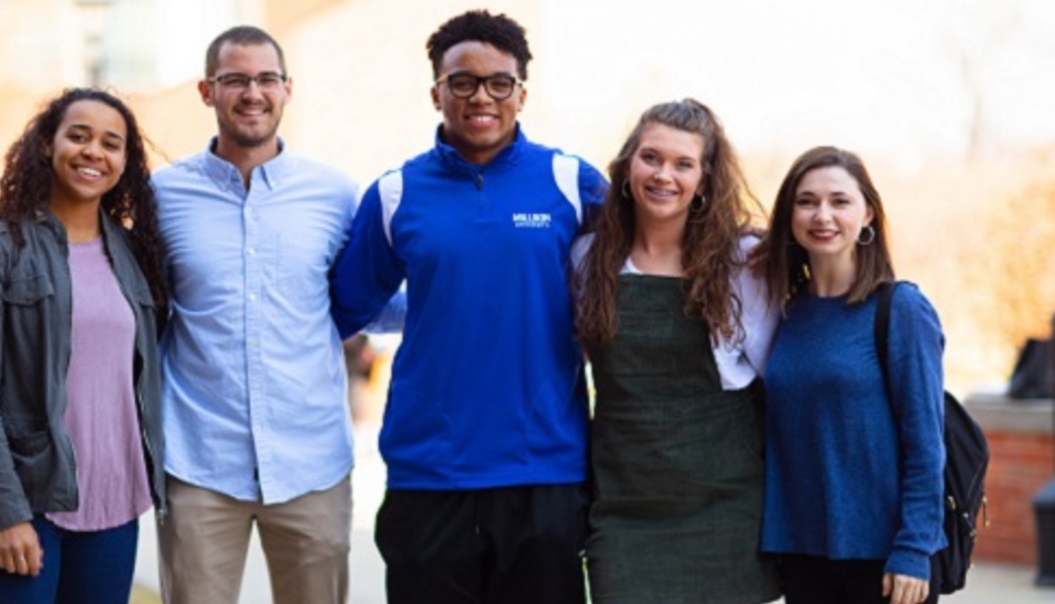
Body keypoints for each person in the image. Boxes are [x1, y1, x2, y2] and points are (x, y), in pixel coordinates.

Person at [330, 10, 607, 604]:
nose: (481, 96)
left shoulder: (570, 182)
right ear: (437, 92)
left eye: (498, 82)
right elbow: (345, 307)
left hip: (545, 471)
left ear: (521, 94)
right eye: (463, 82)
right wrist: (436, 309)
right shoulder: (396, 193)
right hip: (428, 471)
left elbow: (646, 265)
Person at [154, 24, 402, 604]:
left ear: (288, 88)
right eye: (235, 79)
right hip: (199, 463)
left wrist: (463, 305)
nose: (252, 93)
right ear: (206, 91)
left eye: (266, 78)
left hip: (312, 464)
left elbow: (370, 301)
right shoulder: (160, 194)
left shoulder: (337, 193)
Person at [0, 87, 167, 604]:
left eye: (112, 144)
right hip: (26, 501)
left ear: (124, 163)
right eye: (79, 136)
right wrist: (5, 512)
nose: (94, 152)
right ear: (47, 144)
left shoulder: (133, 253)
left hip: (114, 503)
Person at [572, 99, 781, 604]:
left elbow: (779, 380)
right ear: (627, 167)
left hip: (726, 507)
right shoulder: (588, 258)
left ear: (706, 179)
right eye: (651, 157)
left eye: (683, 164)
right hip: (624, 507)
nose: (664, 174)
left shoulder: (745, 262)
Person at [754, 146, 946, 604]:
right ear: (790, 215)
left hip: (885, 560)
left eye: (839, 201)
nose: (823, 215)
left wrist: (913, 548)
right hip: (802, 554)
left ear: (868, 215)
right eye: (807, 201)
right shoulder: (783, 311)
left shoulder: (900, 309)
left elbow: (925, 442)